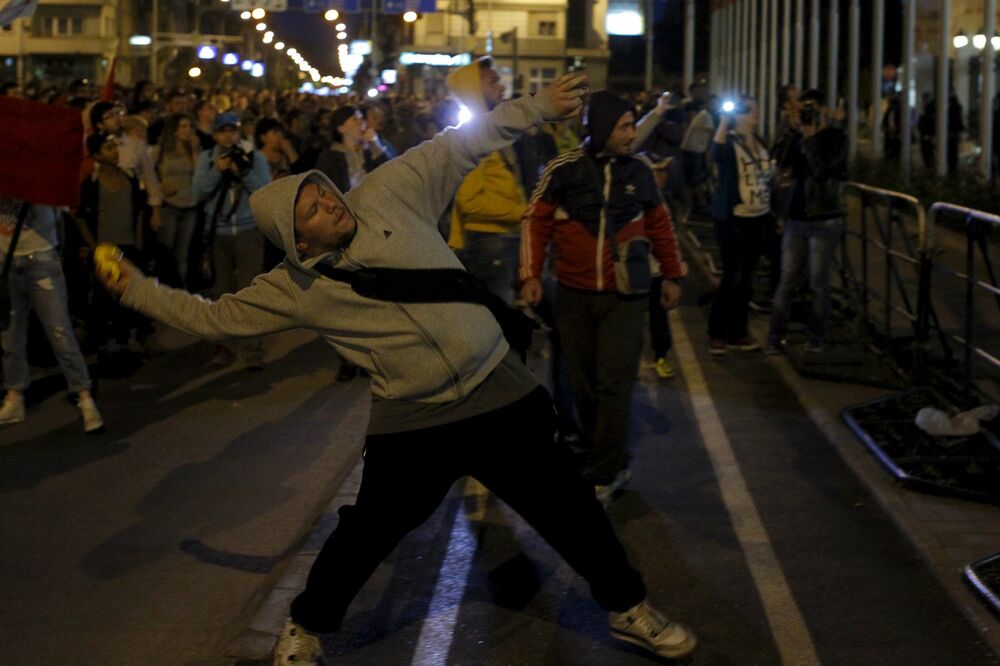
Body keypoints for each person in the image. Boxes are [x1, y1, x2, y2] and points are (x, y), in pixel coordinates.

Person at [95, 73, 696, 666]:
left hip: (498, 389)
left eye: (322, 190)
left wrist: (537, 105)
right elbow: (213, 316)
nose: (329, 201)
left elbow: (462, 144)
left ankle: (629, 608)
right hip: (413, 418)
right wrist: (135, 290)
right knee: (364, 535)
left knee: (570, 508)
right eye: (312, 208)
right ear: (298, 242)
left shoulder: (389, 190)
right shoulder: (294, 286)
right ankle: (305, 627)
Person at [520, 91, 685, 502]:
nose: (633, 134)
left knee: (614, 382)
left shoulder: (641, 172)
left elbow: (660, 226)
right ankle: (602, 453)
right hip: (572, 296)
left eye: (633, 126)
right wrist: (530, 274)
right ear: (604, 129)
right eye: (625, 126)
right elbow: (535, 222)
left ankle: (607, 467)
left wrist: (672, 274)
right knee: (584, 384)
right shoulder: (563, 170)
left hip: (624, 298)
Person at [0, 198, 104, 433]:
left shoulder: (44, 174)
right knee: (11, 334)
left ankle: (84, 396)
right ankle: (14, 396)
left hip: (41, 255)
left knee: (60, 332)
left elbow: (62, 214)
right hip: (5, 257)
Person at [765, 90, 848, 355]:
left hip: (825, 220)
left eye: (812, 107)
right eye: (804, 108)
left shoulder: (836, 138)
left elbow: (822, 170)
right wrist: (792, 132)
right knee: (787, 278)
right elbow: (780, 161)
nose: (807, 112)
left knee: (818, 281)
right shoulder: (799, 136)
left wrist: (810, 138)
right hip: (796, 219)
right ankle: (775, 335)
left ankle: (816, 336)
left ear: (825, 109)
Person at [192, 111, 272, 369]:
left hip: (248, 232)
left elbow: (265, 191)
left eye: (233, 130)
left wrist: (244, 172)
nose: (229, 136)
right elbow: (198, 192)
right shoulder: (206, 159)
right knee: (221, 293)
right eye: (223, 131)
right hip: (219, 234)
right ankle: (225, 346)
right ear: (215, 134)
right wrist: (217, 171)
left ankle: (253, 350)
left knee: (250, 292)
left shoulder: (254, 157)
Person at [448, 57, 527, 303]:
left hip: (500, 238)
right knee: (498, 319)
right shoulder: (476, 134)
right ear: (475, 88)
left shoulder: (488, 129)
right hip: (490, 241)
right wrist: (522, 213)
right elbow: (469, 201)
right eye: (493, 81)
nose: (502, 88)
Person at [708, 95, 774, 354]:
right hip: (733, 218)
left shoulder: (761, 143)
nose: (756, 114)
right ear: (738, 116)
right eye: (750, 111)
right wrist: (724, 121)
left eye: (756, 109)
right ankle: (717, 332)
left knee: (747, 278)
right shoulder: (729, 142)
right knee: (732, 275)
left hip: (760, 216)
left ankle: (738, 333)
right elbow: (717, 154)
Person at [152, 113, 200, 288]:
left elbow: (198, 175)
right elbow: (148, 176)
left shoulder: (192, 150)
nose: (187, 130)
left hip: (189, 206)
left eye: (189, 126)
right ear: (173, 130)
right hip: (169, 206)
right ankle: (163, 290)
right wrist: (160, 187)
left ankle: (180, 291)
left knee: (182, 253)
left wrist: (194, 150)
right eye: (183, 126)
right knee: (166, 251)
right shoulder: (161, 151)